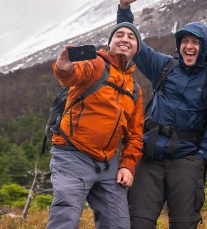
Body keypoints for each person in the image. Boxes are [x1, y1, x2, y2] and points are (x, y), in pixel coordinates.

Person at [116, 0, 207, 229]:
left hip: (187, 160)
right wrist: (125, 8)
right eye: (184, 41)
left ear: (205, 47)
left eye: (195, 42)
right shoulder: (165, 67)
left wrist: (199, 157)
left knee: (184, 223)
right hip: (150, 156)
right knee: (138, 222)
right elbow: (137, 47)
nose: (189, 46)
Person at [47, 22, 144, 229]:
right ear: (110, 43)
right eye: (119, 35)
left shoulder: (134, 88)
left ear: (137, 47)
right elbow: (75, 73)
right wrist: (64, 69)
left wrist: (127, 166)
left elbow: (135, 135)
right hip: (72, 155)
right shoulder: (97, 63)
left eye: (131, 36)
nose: (125, 39)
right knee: (66, 218)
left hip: (108, 163)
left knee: (118, 224)